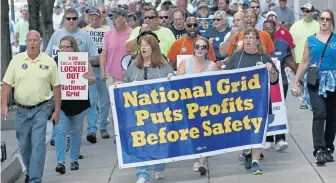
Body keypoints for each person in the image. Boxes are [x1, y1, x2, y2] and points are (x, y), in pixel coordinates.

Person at [1, 30, 61, 183]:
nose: (32, 43)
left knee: (38, 145)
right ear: (26, 42)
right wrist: (3, 104)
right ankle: (30, 171)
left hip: (41, 109)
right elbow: (6, 84)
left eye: (35, 40)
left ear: (40, 42)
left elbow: (57, 87)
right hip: (21, 111)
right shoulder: (16, 60)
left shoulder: (49, 62)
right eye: (30, 40)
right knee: (24, 146)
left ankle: (35, 179)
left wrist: (57, 111)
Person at [114, 32, 174, 183]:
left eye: (147, 45)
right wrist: (119, 85)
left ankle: (159, 167)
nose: (143, 48)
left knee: (159, 140)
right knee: (140, 140)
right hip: (137, 113)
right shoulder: (134, 66)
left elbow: (172, 86)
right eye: (141, 46)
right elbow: (125, 82)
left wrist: (171, 79)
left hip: (158, 113)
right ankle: (142, 173)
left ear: (154, 48)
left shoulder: (163, 66)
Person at [225, 28, 279, 175]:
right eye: (246, 37)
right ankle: (247, 151)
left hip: (259, 104)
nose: (248, 40)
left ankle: (255, 161)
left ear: (257, 40)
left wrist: (271, 70)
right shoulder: (237, 57)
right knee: (244, 132)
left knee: (258, 132)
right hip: (240, 104)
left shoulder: (264, 58)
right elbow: (225, 79)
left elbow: (274, 81)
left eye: (251, 37)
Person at [45, 8, 99, 144]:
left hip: (81, 80)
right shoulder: (56, 35)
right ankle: (58, 136)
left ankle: (91, 130)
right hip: (62, 81)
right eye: (68, 18)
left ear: (77, 20)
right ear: (64, 20)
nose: (71, 21)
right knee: (59, 108)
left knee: (88, 104)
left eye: (74, 18)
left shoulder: (85, 35)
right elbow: (47, 56)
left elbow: (95, 56)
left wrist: (80, 60)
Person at [292, 9, 336, 165]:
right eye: (322, 18)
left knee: (332, 117)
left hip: (333, 82)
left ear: (332, 22)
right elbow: (304, 62)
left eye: (327, 19)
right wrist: (295, 81)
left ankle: (329, 148)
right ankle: (319, 149)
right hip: (315, 80)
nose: (324, 21)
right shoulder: (310, 40)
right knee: (319, 113)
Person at [170, 37, 218, 176]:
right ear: (194, 49)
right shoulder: (185, 63)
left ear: (207, 50)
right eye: (198, 46)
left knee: (206, 134)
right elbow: (176, 84)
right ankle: (196, 158)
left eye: (204, 47)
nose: (200, 49)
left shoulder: (212, 66)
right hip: (189, 106)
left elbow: (218, 87)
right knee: (194, 134)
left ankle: (202, 162)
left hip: (207, 107)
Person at [54, 36, 95, 174]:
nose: (64, 49)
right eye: (61, 47)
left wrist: (89, 78)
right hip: (61, 102)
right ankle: (60, 162)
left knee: (76, 132)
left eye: (67, 46)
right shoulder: (55, 62)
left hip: (78, 101)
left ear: (73, 48)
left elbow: (93, 79)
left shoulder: (82, 60)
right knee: (60, 131)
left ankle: (74, 160)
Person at [263, 19, 298, 151]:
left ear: (275, 29)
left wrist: (299, 77)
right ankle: (268, 138)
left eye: (270, 28)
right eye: (265, 28)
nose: (267, 31)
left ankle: (280, 139)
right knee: (267, 109)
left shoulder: (283, 44)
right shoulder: (259, 45)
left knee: (279, 108)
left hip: (280, 82)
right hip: (263, 83)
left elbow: (290, 61)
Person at [82, 8, 111, 142]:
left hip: (104, 68)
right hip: (90, 68)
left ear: (100, 18)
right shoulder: (84, 31)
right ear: (88, 18)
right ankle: (92, 129)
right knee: (92, 100)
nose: (94, 21)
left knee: (104, 100)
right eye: (91, 18)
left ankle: (103, 125)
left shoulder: (107, 30)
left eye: (96, 18)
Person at [290, 3, 319, 109]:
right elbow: (290, 42)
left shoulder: (317, 25)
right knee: (302, 80)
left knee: (313, 79)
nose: (305, 13)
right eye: (304, 11)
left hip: (314, 58)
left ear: (312, 13)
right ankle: (304, 98)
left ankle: (313, 99)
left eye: (307, 11)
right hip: (299, 58)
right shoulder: (295, 25)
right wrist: (292, 57)